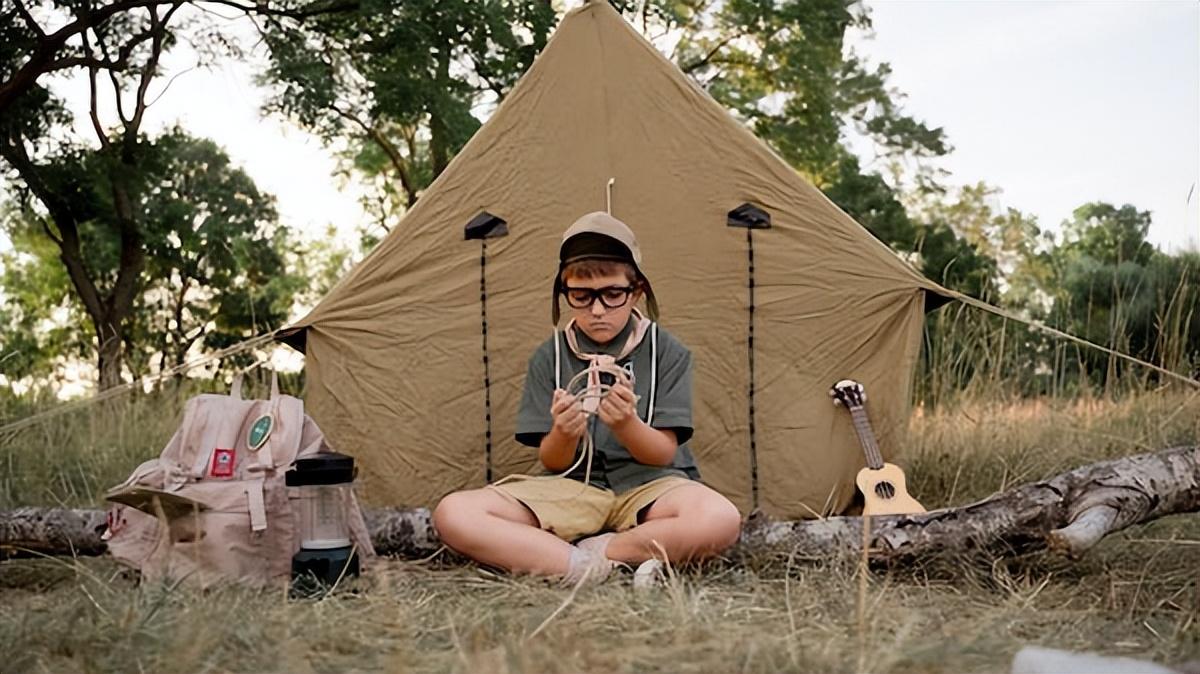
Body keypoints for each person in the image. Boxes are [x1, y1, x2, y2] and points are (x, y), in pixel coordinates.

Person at [433, 212, 741, 584]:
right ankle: (581, 566)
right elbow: (552, 460)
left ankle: (605, 551)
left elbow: (662, 453)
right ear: (564, 293)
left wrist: (626, 424)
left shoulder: (668, 352)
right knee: (454, 514)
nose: (597, 310)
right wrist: (564, 432)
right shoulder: (550, 355)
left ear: (637, 290)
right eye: (581, 296)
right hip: (572, 487)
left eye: (613, 294)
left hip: (653, 488)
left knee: (719, 519)